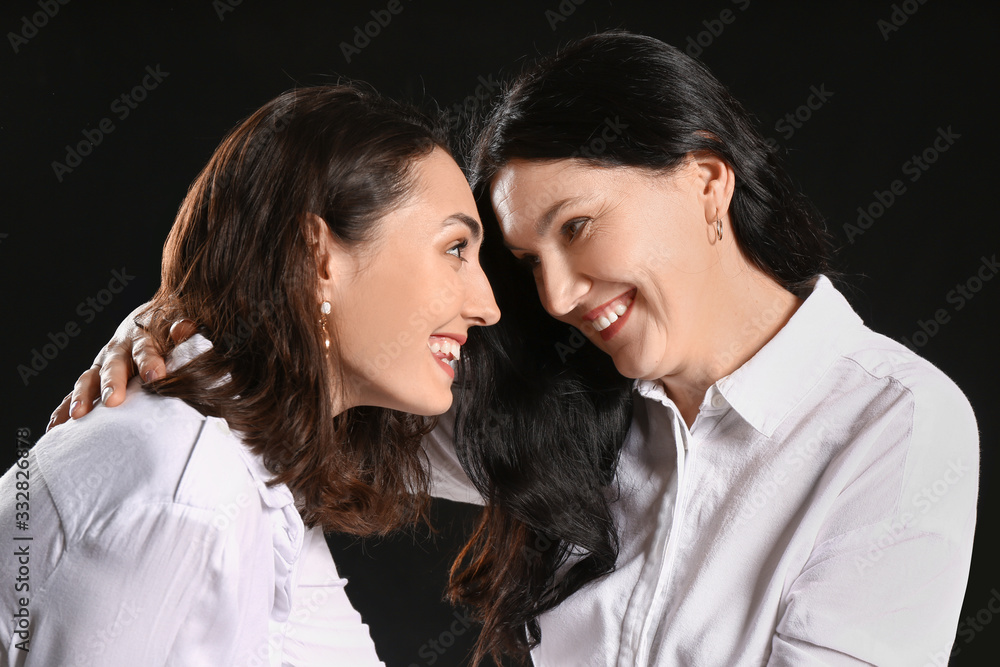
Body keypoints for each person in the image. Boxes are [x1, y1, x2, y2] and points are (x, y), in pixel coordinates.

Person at [52, 32, 978, 667]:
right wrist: (179, 317)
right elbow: (310, 375)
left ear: (705, 181)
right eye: (529, 257)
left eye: (579, 225)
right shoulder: (563, 390)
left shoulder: (895, 423)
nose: (558, 296)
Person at [0, 84, 499, 665]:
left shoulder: (259, 466)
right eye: (456, 248)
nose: (488, 305)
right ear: (319, 257)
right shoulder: (188, 491)